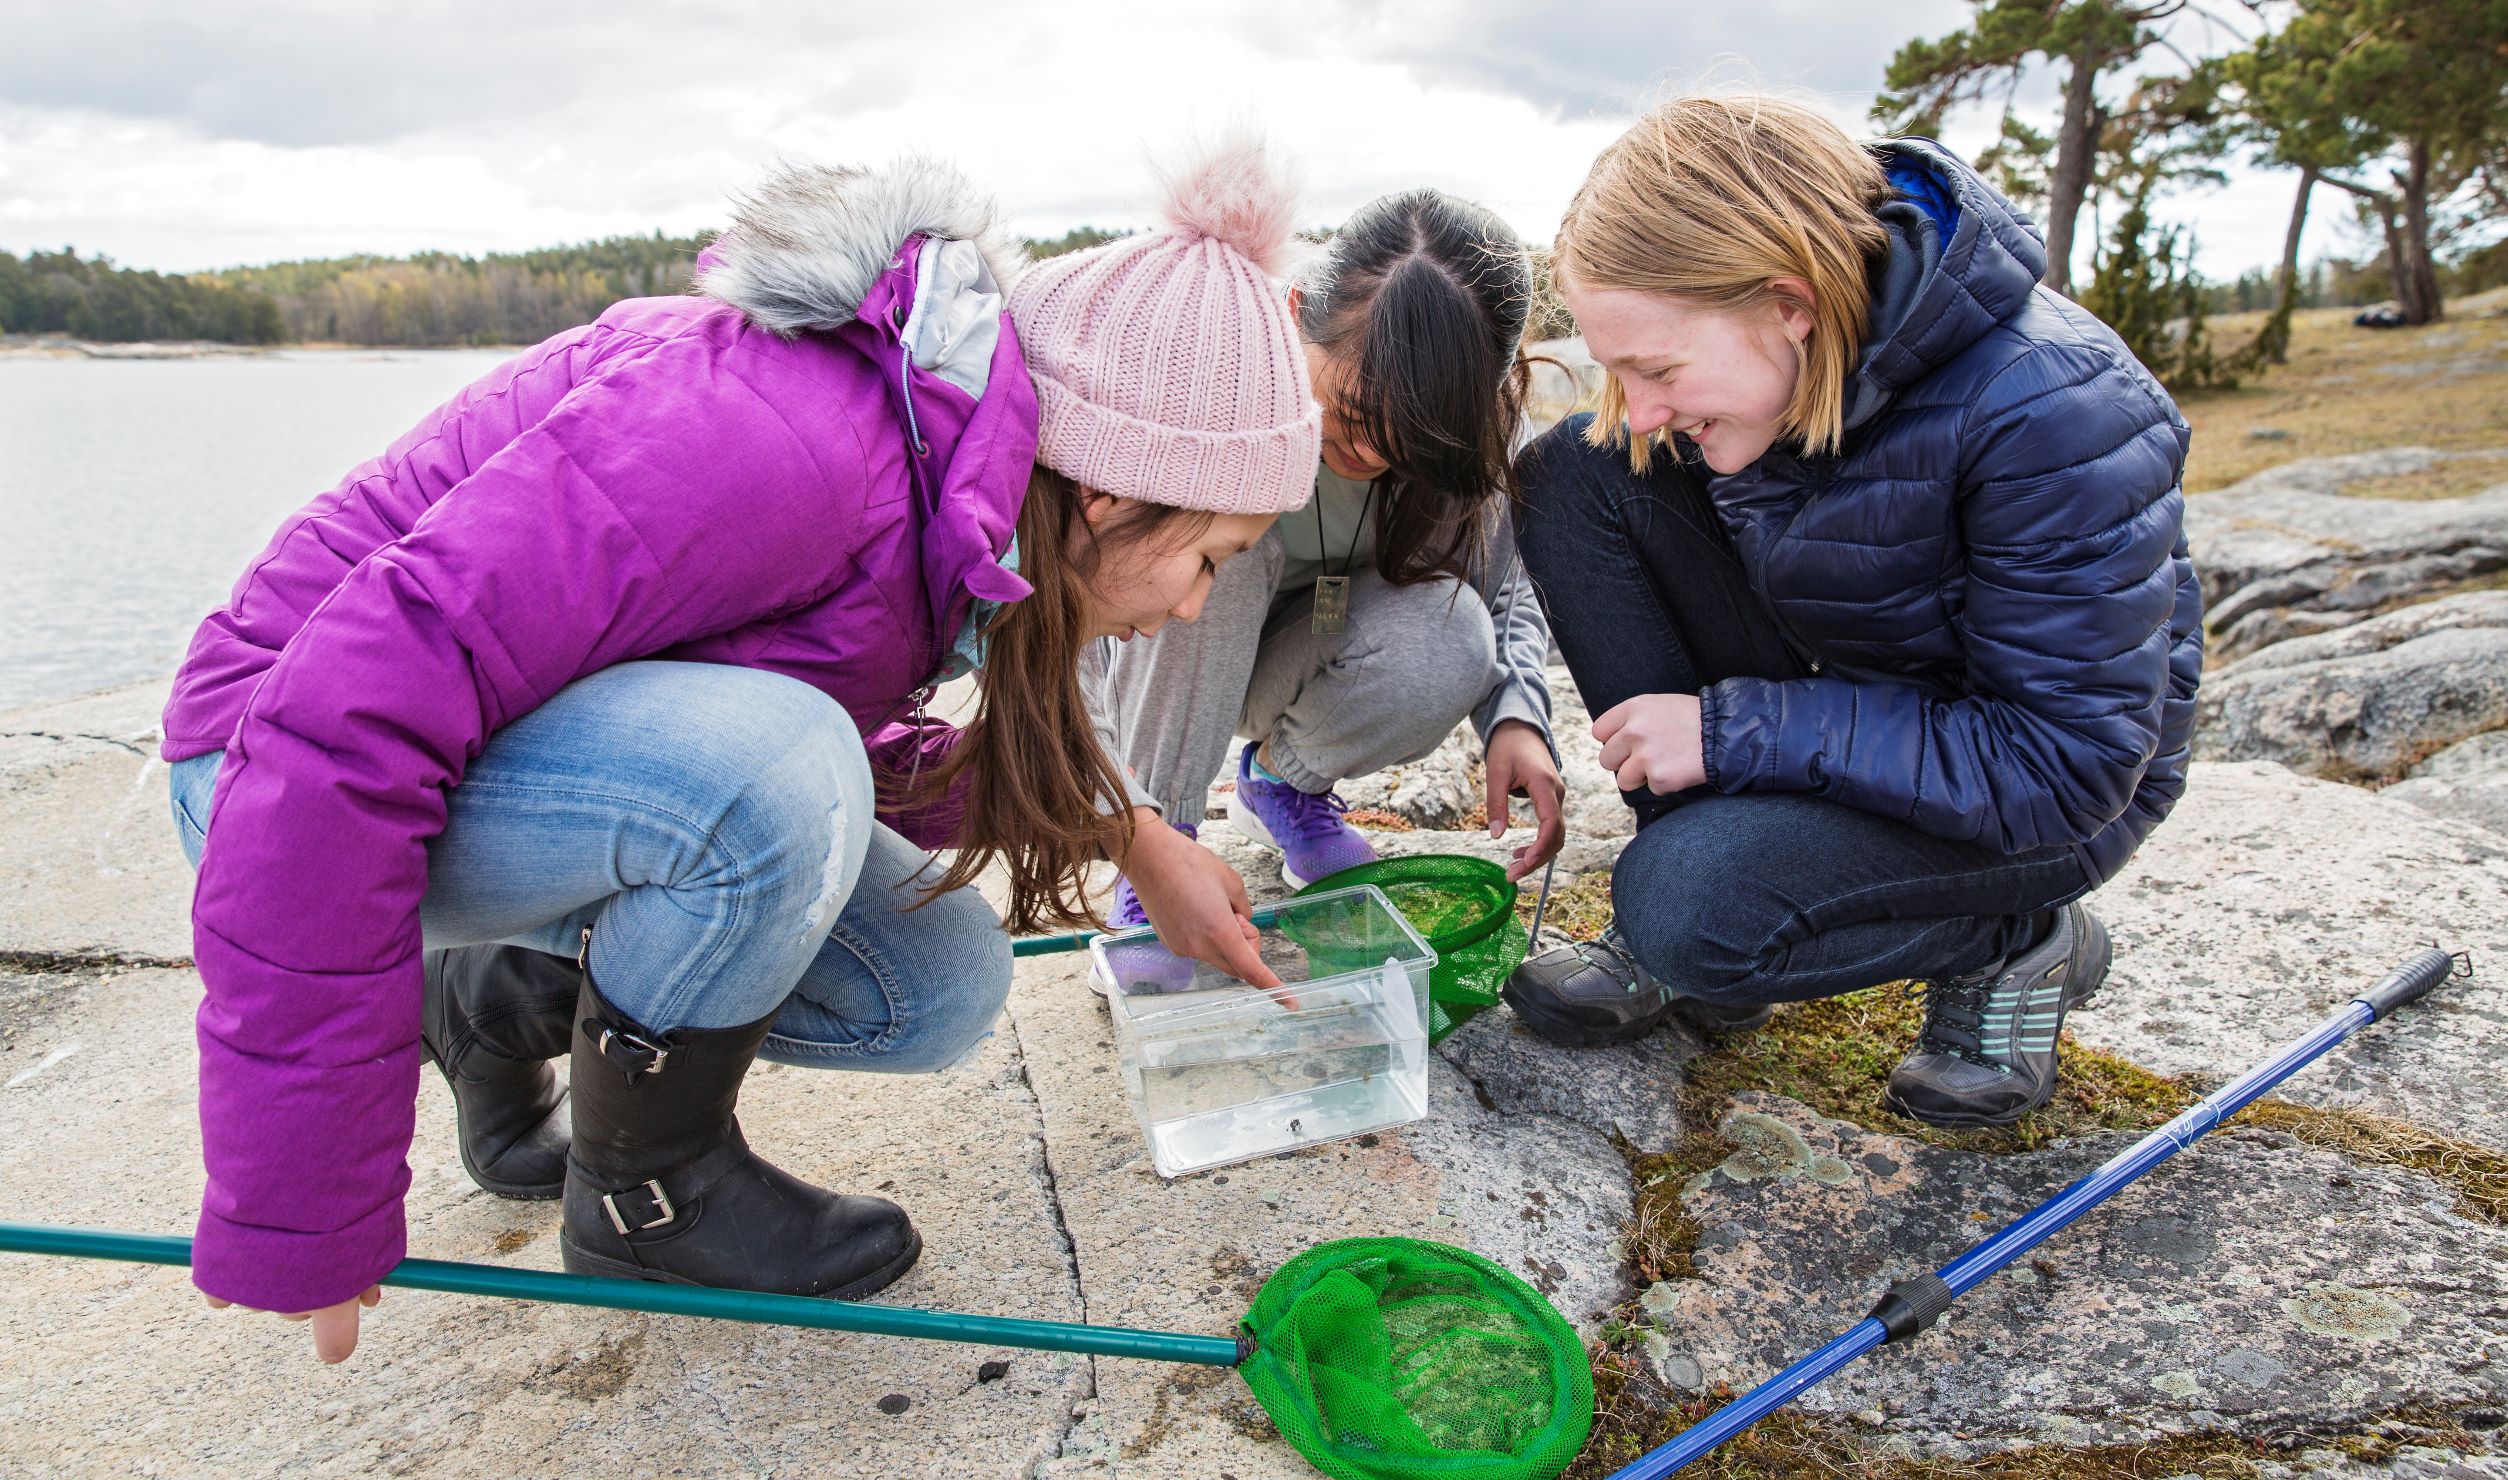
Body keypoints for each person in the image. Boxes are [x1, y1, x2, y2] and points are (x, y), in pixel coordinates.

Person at [161, 139, 1319, 1361]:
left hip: (480, 766)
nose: (1195, 607)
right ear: (1107, 496)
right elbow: (340, 718)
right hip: (267, 762)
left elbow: (770, 739)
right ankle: (648, 1201)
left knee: (932, 981)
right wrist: (305, 1202)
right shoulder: (787, 439)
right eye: (1211, 559)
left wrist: (1128, 833)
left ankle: (494, 998)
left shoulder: (944, 480)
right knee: (782, 771)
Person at [1501, 93, 2202, 1129]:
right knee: (1575, 470)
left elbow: (2067, 767)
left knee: (1684, 905)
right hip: (1866, 697)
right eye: (1618, 368)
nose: (1644, 406)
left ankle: (2015, 938)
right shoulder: (1793, 360)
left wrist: (1734, 732)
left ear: (1789, 302)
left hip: (2040, 795)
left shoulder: (2057, 408)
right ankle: (1715, 926)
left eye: (1658, 368)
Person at [1088, 190, 1566, 986]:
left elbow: (1507, 587)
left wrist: (1516, 714)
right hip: (1180, 643)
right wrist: (1139, 835)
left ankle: (1282, 780)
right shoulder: (1215, 369)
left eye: (1409, 433)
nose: (1371, 453)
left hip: (1312, 650)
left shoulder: (1482, 432)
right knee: (1218, 551)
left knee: (1457, 633)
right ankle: (1164, 849)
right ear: (1294, 310)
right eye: (1348, 413)